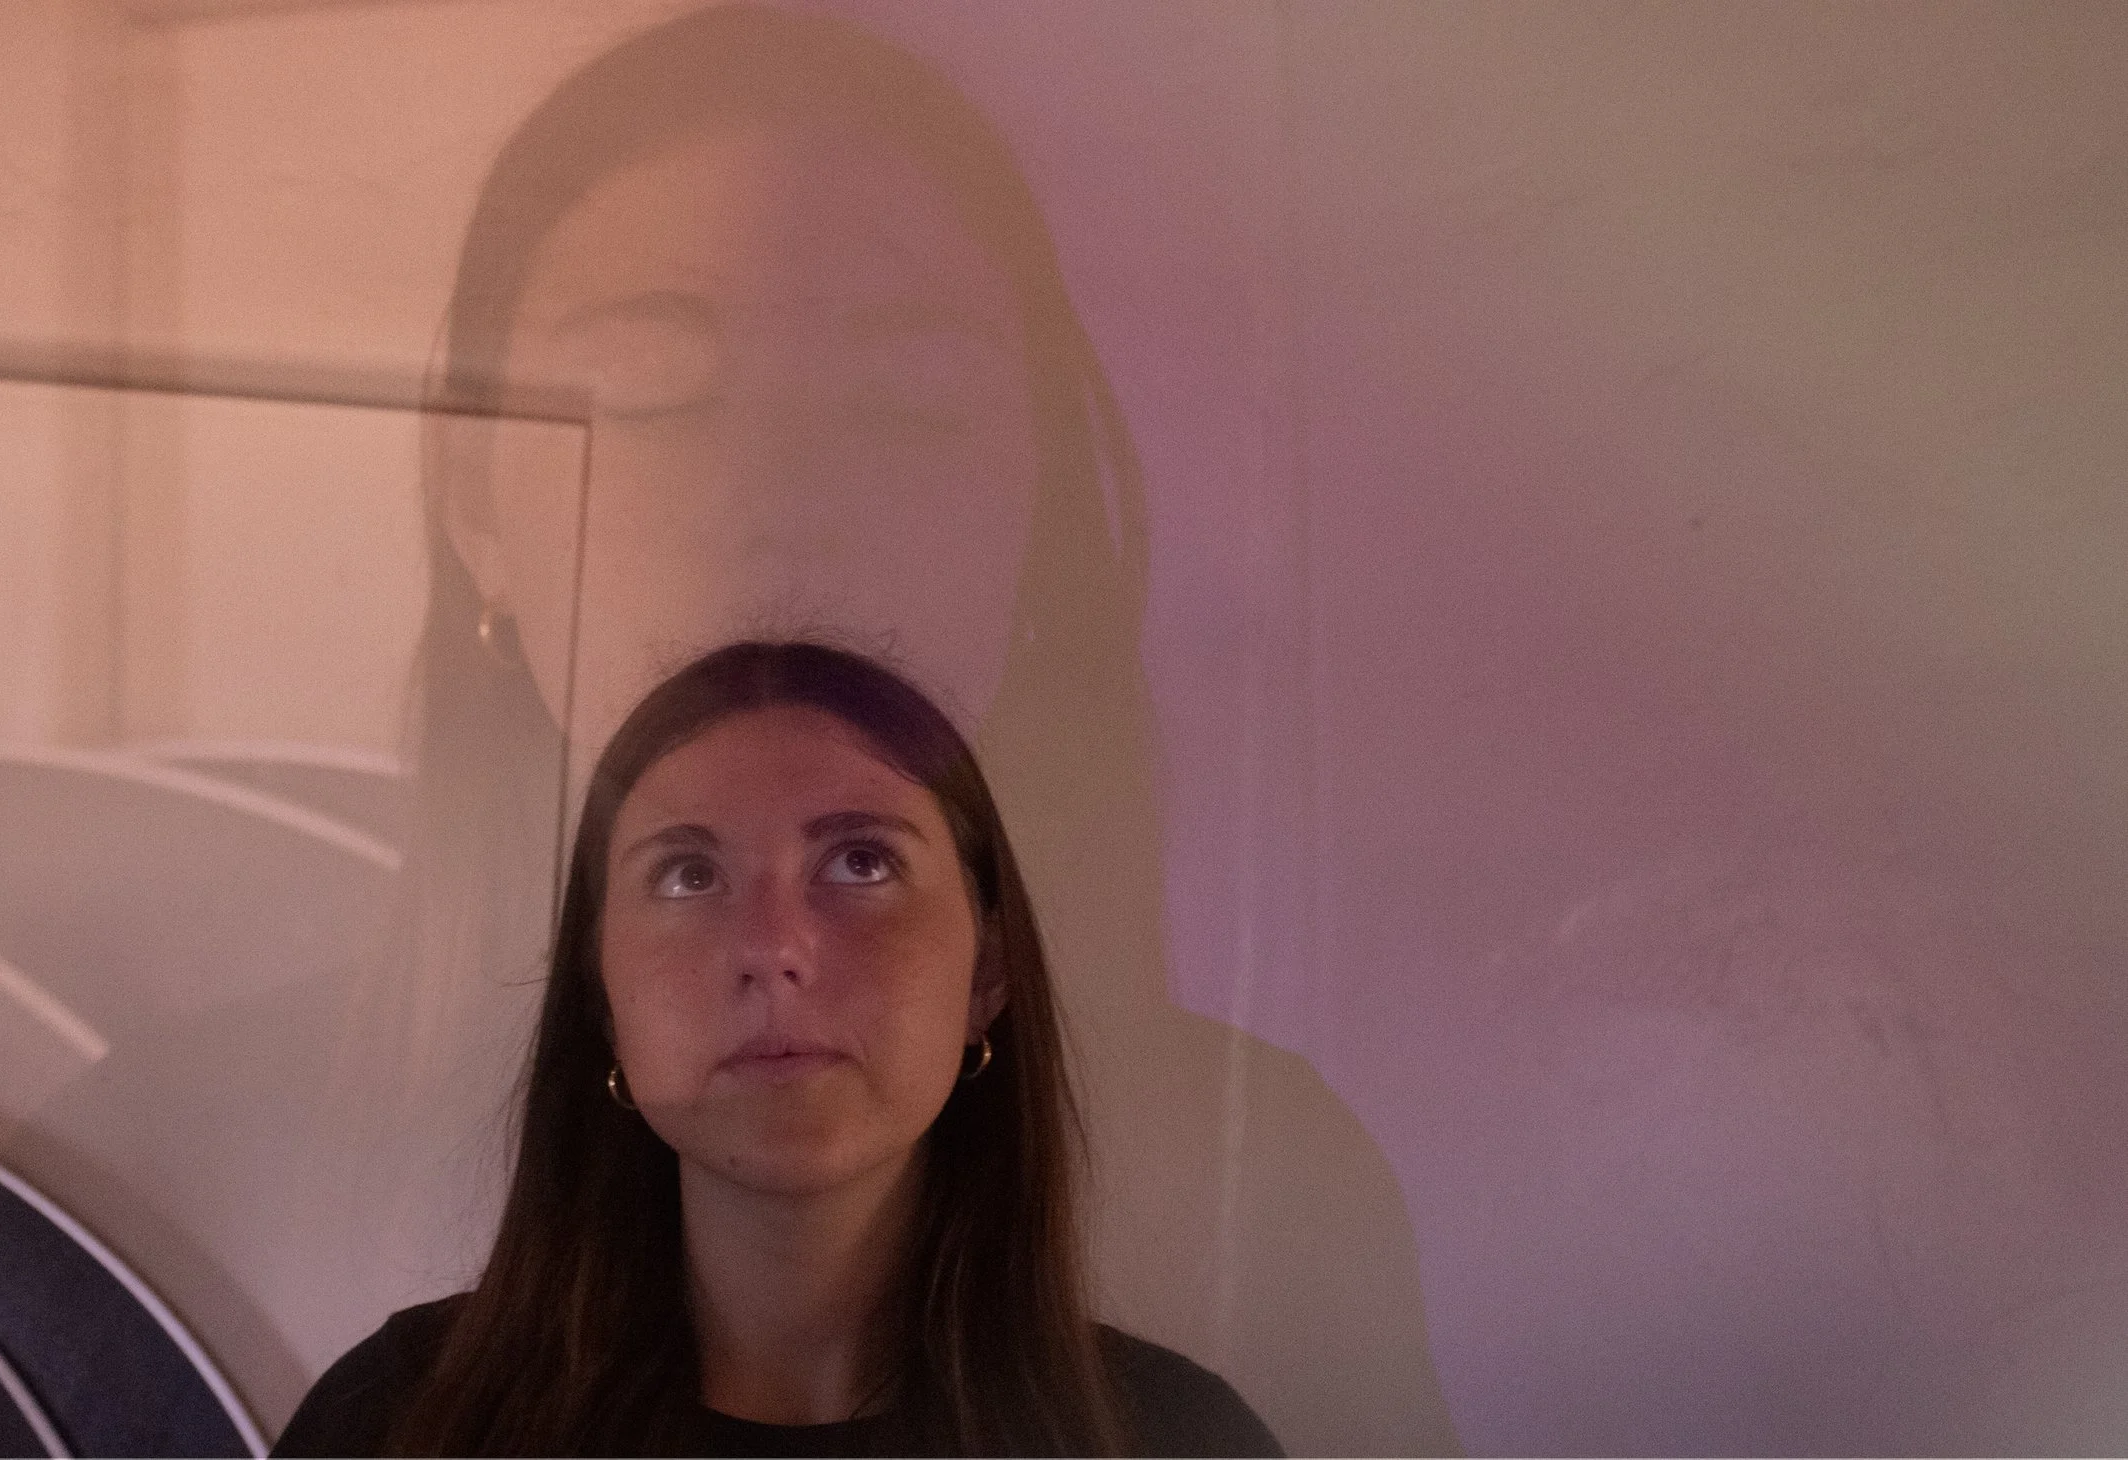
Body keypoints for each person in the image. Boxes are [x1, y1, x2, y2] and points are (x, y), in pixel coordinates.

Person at [341, 6, 1456, 1451]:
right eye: (658, 395)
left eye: (906, 407)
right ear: (472, 500)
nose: (780, 500)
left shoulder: (1264, 1228)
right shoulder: (377, 1384)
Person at [278, 640, 1282, 1456]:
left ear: (987, 972)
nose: (772, 946)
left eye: (861, 861)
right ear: (602, 995)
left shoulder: (1178, 1442)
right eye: (687, 874)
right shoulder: (392, 1427)